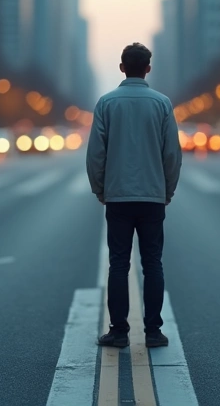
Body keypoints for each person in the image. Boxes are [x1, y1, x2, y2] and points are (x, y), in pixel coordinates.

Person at [87, 43, 181, 350]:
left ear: (122, 67)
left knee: (118, 264)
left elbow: (95, 155)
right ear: (148, 69)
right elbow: (172, 155)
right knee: (153, 263)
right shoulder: (162, 104)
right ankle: (153, 331)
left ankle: (119, 331)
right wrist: (167, 190)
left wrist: (100, 189)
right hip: (152, 196)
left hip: (118, 197)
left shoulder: (106, 103)